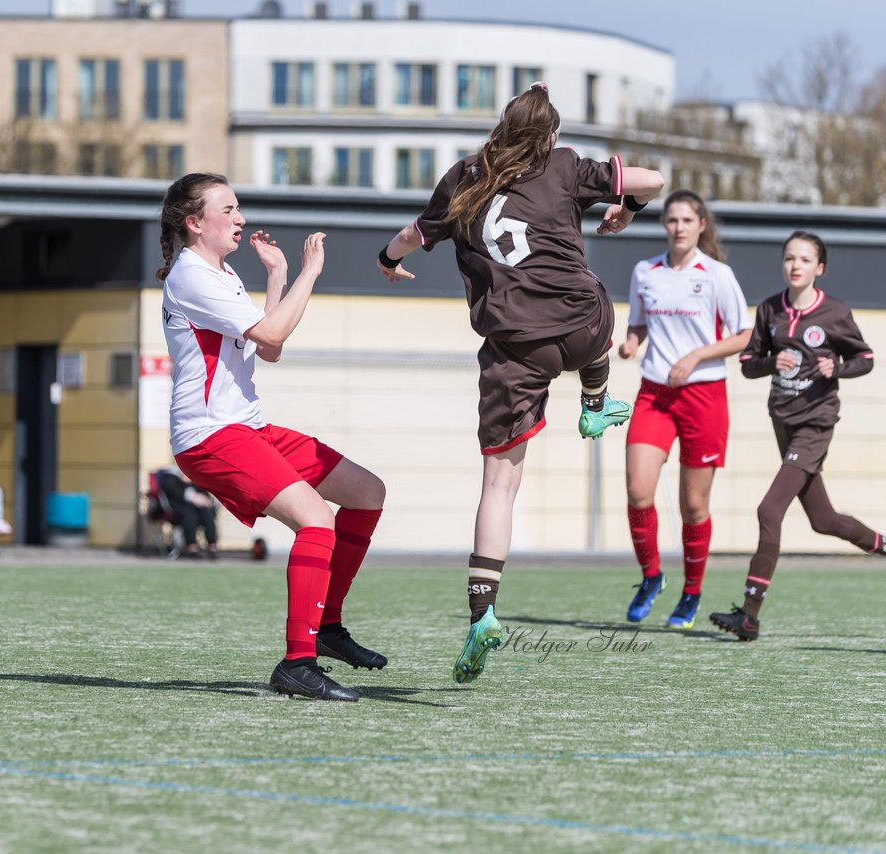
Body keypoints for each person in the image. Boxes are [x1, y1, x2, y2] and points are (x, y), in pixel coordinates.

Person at [375, 82, 664, 684]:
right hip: (584, 327)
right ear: (550, 135)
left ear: (500, 127)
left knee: (500, 486)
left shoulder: (462, 179)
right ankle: (594, 402)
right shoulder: (562, 166)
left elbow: (408, 237)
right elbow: (652, 180)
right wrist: (624, 208)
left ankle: (482, 614)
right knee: (594, 303)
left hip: (514, 349)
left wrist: (386, 261)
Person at [159, 172, 387, 702]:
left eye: (239, 208)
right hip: (209, 436)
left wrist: (279, 278)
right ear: (195, 223)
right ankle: (297, 662)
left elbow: (269, 349)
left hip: (248, 427)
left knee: (366, 492)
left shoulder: (222, 274)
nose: (240, 218)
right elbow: (275, 333)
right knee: (316, 519)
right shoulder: (191, 276)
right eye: (229, 210)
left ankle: (326, 628)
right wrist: (310, 272)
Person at [710, 231, 885, 640]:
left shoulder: (835, 312)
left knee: (769, 510)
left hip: (816, 423)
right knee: (824, 520)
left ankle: (749, 615)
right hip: (783, 422)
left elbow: (866, 358)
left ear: (818, 269)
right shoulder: (770, 309)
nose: (795, 265)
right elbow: (749, 363)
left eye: (805, 260)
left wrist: (836, 370)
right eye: (790, 258)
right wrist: (773, 361)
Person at [617, 190, 753, 629]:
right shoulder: (646, 272)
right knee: (639, 490)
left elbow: (745, 335)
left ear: (701, 226)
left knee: (693, 505)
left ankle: (691, 593)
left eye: (686, 220)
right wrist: (632, 342)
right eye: (671, 220)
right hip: (654, 393)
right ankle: (651, 577)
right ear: (665, 225)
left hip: (704, 397)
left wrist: (695, 357)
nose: (678, 227)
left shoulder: (716, 275)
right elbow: (639, 322)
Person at [156, 466, 219, 558]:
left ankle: (212, 544)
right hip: (177, 508)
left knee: (207, 512)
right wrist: (191, 496)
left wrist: (204, 500)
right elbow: (172, 491)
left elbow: (202, 493)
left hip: (196, 509)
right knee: (188, 514)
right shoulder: (171, 476)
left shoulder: (194, 475)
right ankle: (191, 545)